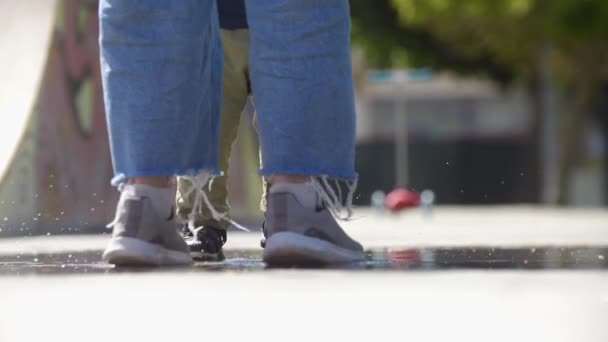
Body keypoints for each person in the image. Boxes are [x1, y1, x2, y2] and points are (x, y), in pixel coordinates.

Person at [99, 0, 363, 267]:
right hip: (227, 28)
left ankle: (146, 206)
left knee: (150, 10)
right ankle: (293, 209)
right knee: (293, 12)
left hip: (213, 23)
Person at [175, 0, 256, 262]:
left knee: (284, 127)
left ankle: (287, 213)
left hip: (281, 22)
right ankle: (201, 220)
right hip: (211, 20)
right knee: (207, 127)